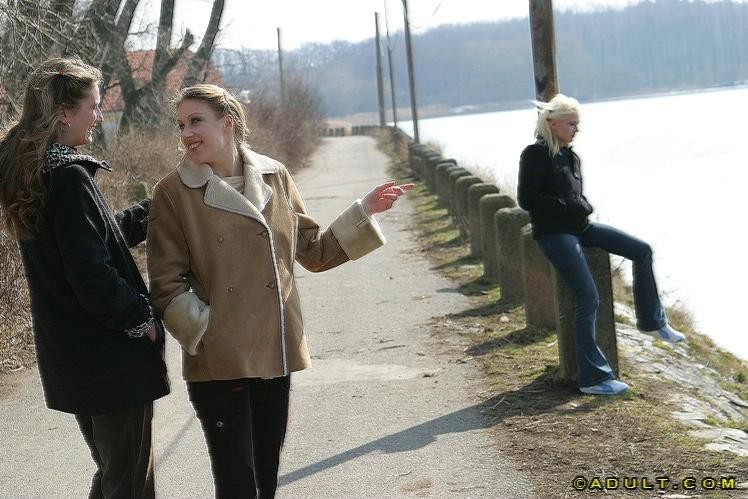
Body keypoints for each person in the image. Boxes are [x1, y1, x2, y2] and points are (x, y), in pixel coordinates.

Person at [146, 83, 413, 498]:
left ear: (228, 122)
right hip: (219, 360)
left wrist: (364, 211)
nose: (186, 133)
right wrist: (207, 333)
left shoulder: (274, 174)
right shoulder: (172, 192)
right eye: (181, 124)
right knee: (238, 482)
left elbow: (314, 251)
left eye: (196, 120)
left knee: (265, 477)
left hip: (274, 350)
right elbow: (165, 283)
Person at [0, 57, 169, 498]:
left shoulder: (40, 176)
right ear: (62, 116)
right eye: (93, 106)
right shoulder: (69, 179)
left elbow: (97, 237)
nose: (98, 116)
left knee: (115, 477)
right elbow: (92, 272)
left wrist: (155, 209)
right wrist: (141, 319)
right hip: (109, 359)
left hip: (79, 361)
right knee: (128, 484)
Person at [517, 93, 685, 397]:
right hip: (554, 234)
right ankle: (592, 379)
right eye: (571, 124)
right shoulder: (535, 154)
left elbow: (574, 197)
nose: (576, 130)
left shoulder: (572, 156)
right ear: (552, 123)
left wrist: (581, 205)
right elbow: (526, 200)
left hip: (582, 228)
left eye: (577, 125)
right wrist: (567, 206)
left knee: (642, 250)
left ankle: (652, 321)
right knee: (589, 298)